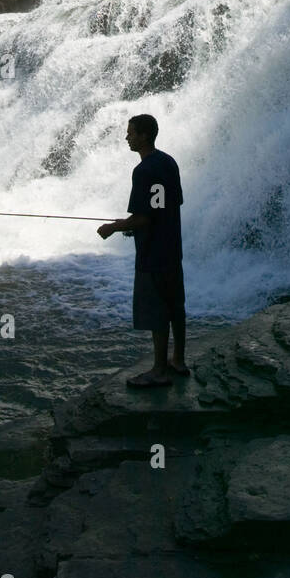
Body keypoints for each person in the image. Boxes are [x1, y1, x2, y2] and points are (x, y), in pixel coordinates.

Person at [98, 114, 188, 388]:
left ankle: (159, 371)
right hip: (172, 248)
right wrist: (135, 223)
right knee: (175, 306)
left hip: (152, 252)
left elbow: (145, 217)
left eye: (131, 133)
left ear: (144, 136)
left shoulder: (143, 170)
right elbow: (167, 206)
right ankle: (178, 361)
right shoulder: (168, 162)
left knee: (157, 309)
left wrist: (115, 227)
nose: (127, 137)